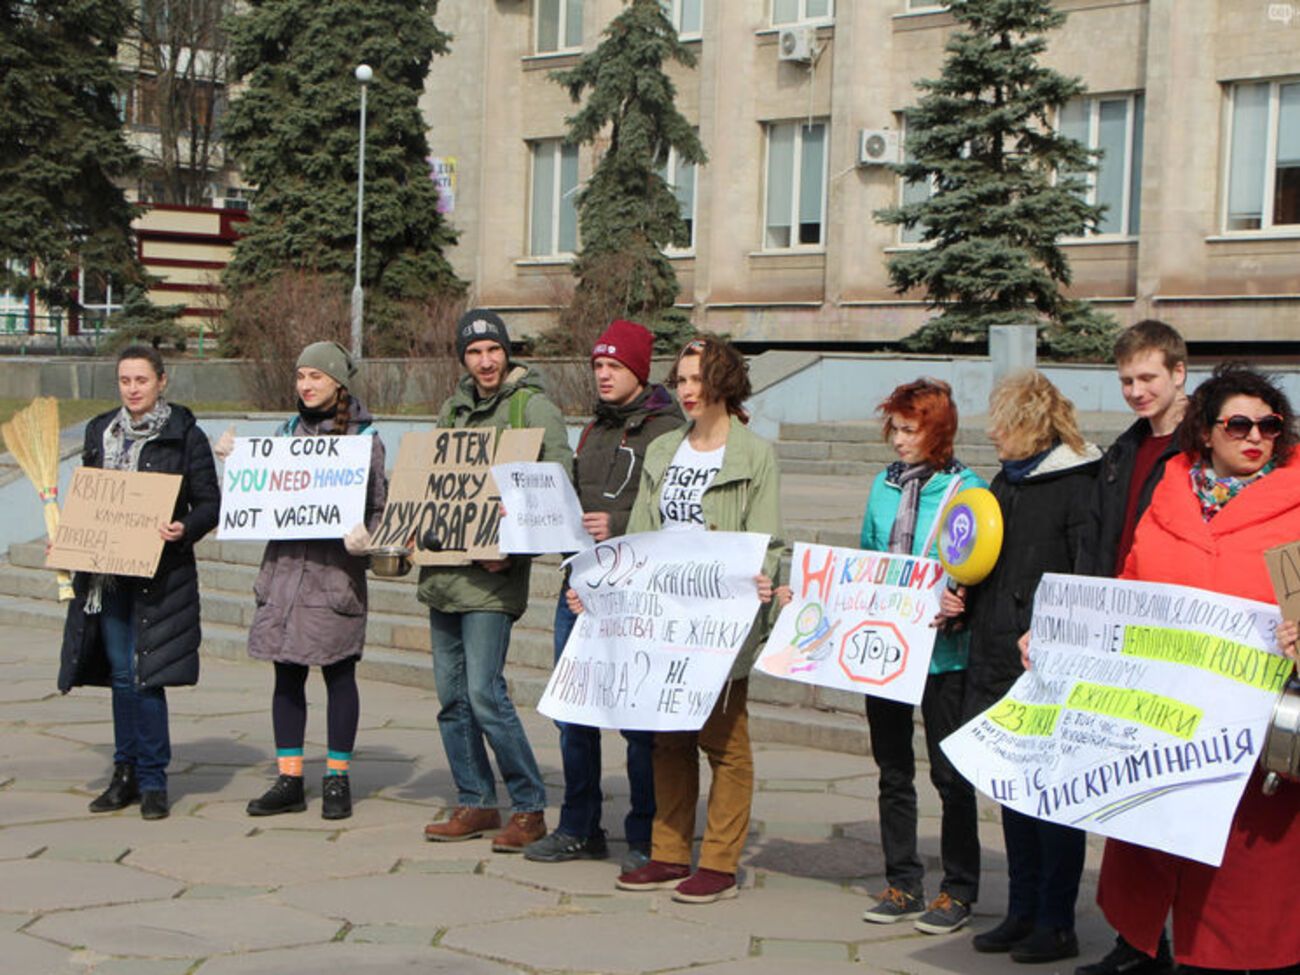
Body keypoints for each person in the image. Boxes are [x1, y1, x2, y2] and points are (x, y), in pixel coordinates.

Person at [1091, 363, 1300, 975]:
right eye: (1238, 423)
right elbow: (1129, 586)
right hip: (1163, 728)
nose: (1255, 436)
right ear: (1205, 431)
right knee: (1158, 866)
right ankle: (1148, 948)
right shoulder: (1170, 493)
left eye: (1269, 425)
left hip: (1254, 742)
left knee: (1243, 903)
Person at [581, 333, 783, 905]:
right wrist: (603, 589)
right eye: (683, 380)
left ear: (724, 383)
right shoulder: (666, 449)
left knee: (724, 741)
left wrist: (763, 580)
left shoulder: (753, 455)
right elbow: (642, 535)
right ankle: (668, 853)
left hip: (720, 619)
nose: (687, 391)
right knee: (667, 740)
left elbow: (770, 539)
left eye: (698, 380)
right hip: (665, 616)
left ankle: (719, 862)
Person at [949, 370, 1101, 964]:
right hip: (995, 653)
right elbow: (981, 559)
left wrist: (1054, 635)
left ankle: (1056, 920)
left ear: (1031, 425)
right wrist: (959, 597)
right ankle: (1021, 910)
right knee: (1014, 792)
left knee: (1053, 799)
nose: (991, 433)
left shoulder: (1079, 485)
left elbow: (1086, 577)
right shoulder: (1004, 482)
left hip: (1048, 664)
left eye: (1003, 422)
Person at [524, 319, 684, 870]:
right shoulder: (593, 427)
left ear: (639, 369)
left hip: (638, 594)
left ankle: (645, 834)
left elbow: (675, 511)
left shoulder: (668, 429)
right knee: (573, 714)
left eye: (614, 366)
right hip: (580, 589)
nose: (604, 375)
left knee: (639, 720)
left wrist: (617, 522)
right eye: (598, 365)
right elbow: (570, 495)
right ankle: (578, 825)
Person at [420, 308, 572, 852]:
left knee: (485, 694)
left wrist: (514, 547)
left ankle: (529, 807)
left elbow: (557, 489)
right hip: (445, 575)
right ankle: (476, 799)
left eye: (493, 350)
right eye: (474, 352)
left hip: (492, 579)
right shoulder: (453, 411)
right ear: (463, 358)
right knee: (450, 698)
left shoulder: (533, 409)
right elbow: (434, 484)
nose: (485, 361)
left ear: (506, 352)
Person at [58, 345, 220, 820]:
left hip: (160, 575)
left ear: (162, 382)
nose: (132, 389)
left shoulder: (185, 435)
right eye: (125, 380)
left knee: (148, 677)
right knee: (123, 677)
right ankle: (123, 773)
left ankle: (153, 780)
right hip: (108, 576)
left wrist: (183, 529)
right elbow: (89, 498)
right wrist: (67, 539)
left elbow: (210, 503)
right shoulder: (99, 431)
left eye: (141, 380)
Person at [1075, 320, 1187, 975]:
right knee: (1131, 802)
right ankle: (1139, 940)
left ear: (1179, 372)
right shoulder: (1121, 451)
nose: (1137, 391)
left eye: (1148, 377)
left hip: (1179, 645)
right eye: (1126, 380)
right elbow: (1098, 544)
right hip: (1120, 642)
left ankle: (1194, 941)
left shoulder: (1211, 447)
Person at [236, 342, 388, 821]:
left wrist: (370, 536)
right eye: (300, 376)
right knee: (286, 674)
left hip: (333, 577)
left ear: (338, 383)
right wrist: (236, 464)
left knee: (340, 673)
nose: (305, 385)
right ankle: (290, 778)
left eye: (315, 377)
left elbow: (381, 509)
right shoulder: (283, 436)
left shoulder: (365, 440)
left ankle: (338, 778)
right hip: (284, 574)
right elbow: (258, 494)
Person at [857, 379, 987, 935]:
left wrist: (964, 598)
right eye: (896, 428)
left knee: (950, 775)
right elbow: (864, 557)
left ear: (939, 431)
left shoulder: (968, 490)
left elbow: (983, 565)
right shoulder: (882, 487)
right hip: (887, 650)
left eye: (911, 430)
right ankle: (902, 882)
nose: (900, 441)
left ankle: (957, 890)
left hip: (943, 654)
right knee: (893, 770)